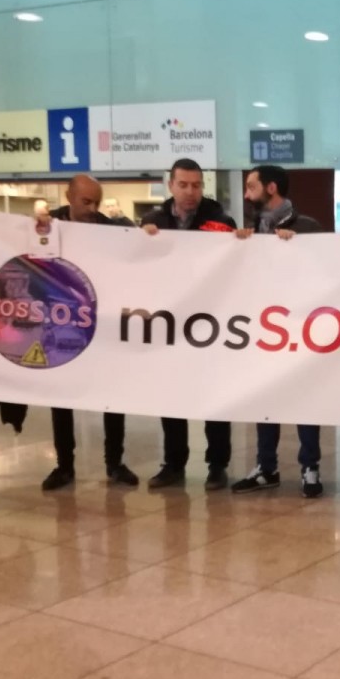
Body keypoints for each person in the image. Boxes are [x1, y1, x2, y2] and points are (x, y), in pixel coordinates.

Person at [36, 175, 139, 491]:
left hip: (103, 327)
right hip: (61, 325)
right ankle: (64, 465)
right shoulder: (46, 226)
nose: (93, 208)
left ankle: (115, 463)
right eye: (86, 201)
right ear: (69, 196)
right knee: (62, 398)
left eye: (97, 201)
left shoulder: (111, 230)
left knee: (112, 397)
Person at [141, 158, 237, 491]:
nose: (190, 192)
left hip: (210, 323)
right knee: (171, 395)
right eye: (183, 185)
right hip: (169, 323)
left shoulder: (220, 220)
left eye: (196, 185)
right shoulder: (153, 221)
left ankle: (217, 464)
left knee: (214, 395)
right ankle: (173, 463)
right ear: (171, 185)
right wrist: (141, 239)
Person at [231, 165, 326, 499]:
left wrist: (296, 248)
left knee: (304, 399)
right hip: (263, 330)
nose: (246, 194)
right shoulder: (253, 229)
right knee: (265, 397)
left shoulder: (308, 227)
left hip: (300, 329)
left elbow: (327, 272)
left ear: (271, 188)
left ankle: (309, 467)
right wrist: (242, 247)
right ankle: (266, 467)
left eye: (251, 186)